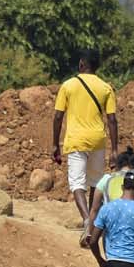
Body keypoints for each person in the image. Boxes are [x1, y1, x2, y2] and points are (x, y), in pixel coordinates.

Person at [52, 49, 118, 225]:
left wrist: (55, 145)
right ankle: (94, 222)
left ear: (81, 63)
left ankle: (87, 221)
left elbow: (58, 116)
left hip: (76, 140)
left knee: (76, 183)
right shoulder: (106, 87)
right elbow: (112, 120)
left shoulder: (68, 86)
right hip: (98, 140)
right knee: (96, 183)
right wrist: (115, 150)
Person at [85, 149, 134, 267]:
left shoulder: (106, 180)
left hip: (112, 241)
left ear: (118, 165)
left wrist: (89, 233)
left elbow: (94, 210)